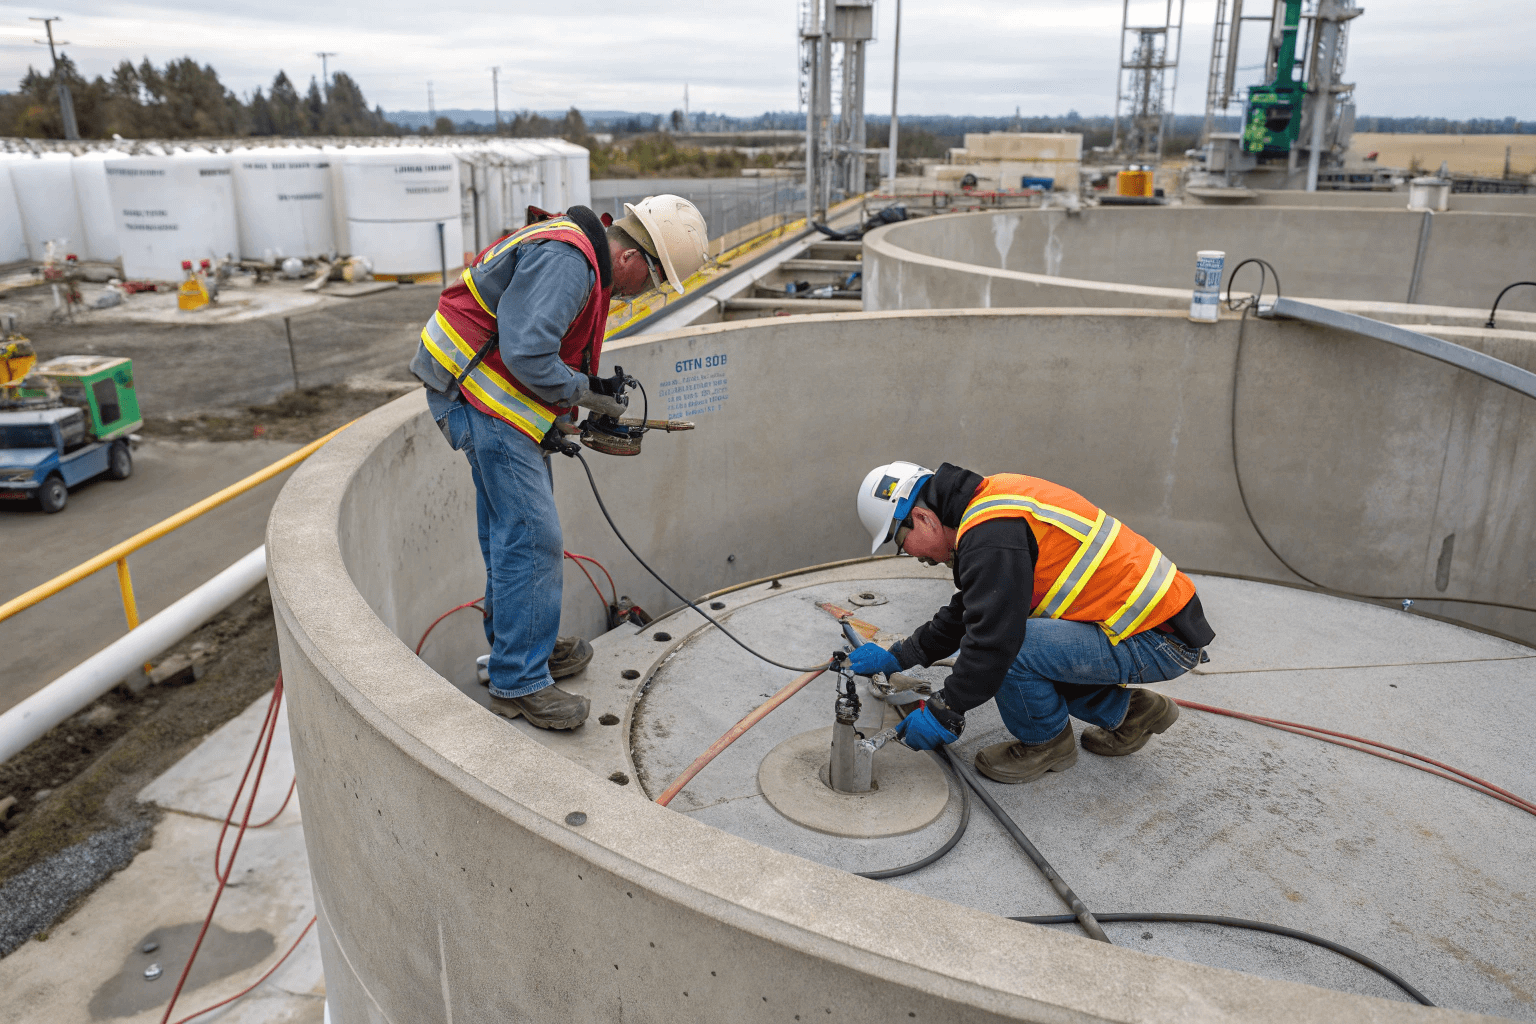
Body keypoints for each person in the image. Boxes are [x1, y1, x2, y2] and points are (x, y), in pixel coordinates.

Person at [409, 196, 709, 729]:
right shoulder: (570, 262)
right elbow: (527, 355)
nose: (646, 292)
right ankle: (519, 679)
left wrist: (568, 405)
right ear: (633, 260)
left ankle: (523, 646)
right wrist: (590, 395)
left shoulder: (578, 258)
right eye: (655, 281)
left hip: (489, 394)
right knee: (531, 537)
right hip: (478, 398)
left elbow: (530, 349)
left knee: (514, 534)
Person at [847, 461, 1215, 783]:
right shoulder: (990, 506)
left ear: (924, 518)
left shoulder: (990, 536)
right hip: (1153, 628)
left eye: (900, 541)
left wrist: (946, 709)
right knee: (1026, 643)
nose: (912, 556)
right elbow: (974, 609)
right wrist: (900, 655)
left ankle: (1046, 744)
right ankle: (1132, 713)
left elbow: (994, 640)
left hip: (1156, 640)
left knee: (1016, 648)